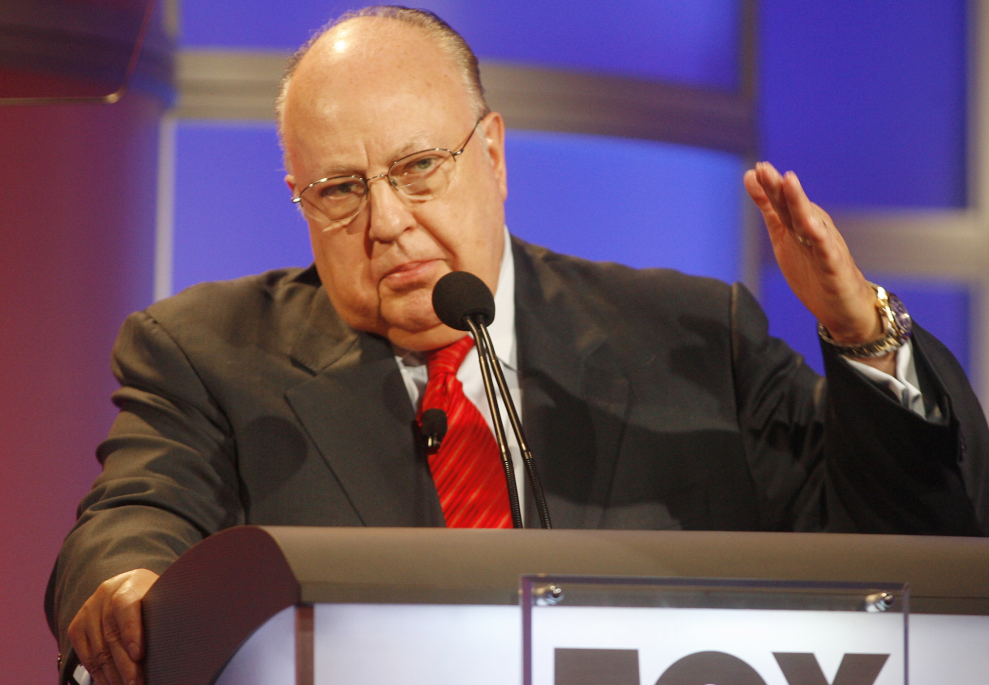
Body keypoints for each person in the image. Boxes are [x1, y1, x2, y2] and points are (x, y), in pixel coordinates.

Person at [47, 6, 987, 685]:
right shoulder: (207, 352)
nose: (385, 222)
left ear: (492, 155)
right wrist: (130, 583)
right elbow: (137, 509)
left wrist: (862, 335)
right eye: (339, 189)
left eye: (418, 168)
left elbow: (904, 539)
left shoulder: (694, 337)